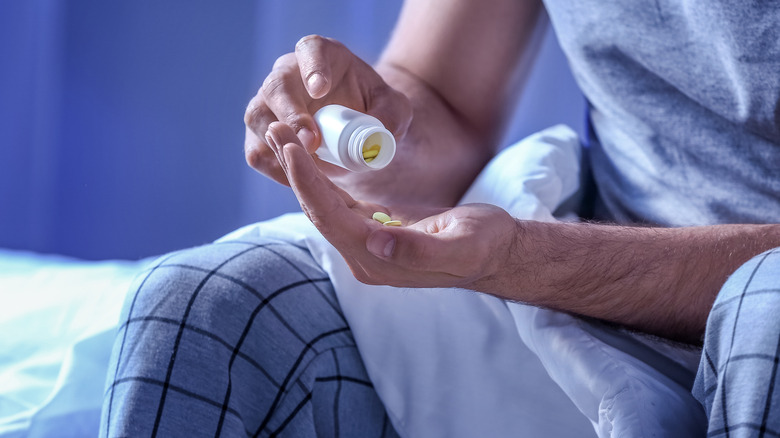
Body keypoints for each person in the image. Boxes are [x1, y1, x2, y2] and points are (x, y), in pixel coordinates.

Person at [100, 0, 780, 436]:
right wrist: (372, 134)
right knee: (197, 305)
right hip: (583, 246)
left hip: (718, 290)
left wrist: (534, 262)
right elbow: (443, 98)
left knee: (767, 317)